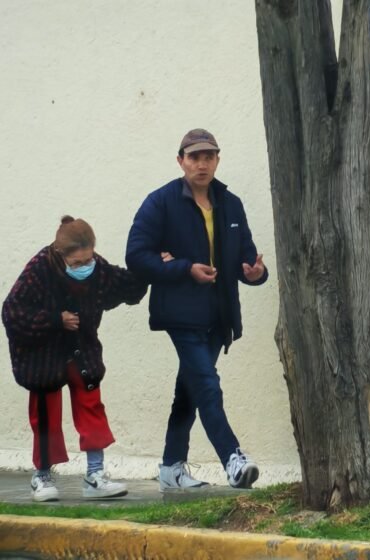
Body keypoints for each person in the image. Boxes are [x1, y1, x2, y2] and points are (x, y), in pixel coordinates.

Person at [126, 128, 268, 490]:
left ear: (217, 160)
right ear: (181, 161)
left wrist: (255, 273)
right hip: (181, 314)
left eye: (209, 157)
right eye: (194, 157)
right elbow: (136, 256)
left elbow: (247, 259)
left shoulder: (231, 204)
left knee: (189, 390)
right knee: (206, 384)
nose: (202, 164)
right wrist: (183, 268)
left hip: (219, 316)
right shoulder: (160, 202)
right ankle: (233, 459)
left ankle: (171, 467)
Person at [2, 216, 147, 502]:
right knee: (46, 416)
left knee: (91, 407)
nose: (85, 267)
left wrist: (152, 268)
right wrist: (55, 320)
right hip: (44, 358)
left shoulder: (97, 268)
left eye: (89, 259)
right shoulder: (39, 269)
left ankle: (95, 475)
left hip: (82, 352)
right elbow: (12, 312)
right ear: (60, 254)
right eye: (77, 263)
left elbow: (126, 286)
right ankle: (42, 476)